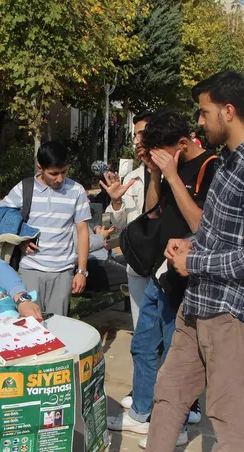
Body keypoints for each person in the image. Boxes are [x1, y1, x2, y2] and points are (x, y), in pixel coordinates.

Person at [104, 70, 244, 452]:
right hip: (199, 303)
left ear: (228, 110)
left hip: (233, 311)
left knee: (225, 406)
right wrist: (192, 245)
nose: (200, 122)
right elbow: (216, 229)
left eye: (205, 112)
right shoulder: (227, 162)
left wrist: (197, 262)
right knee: (169, 390)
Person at [106, 109, 216, 438]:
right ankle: (141, 412)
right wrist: (157, 173)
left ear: (182, 143)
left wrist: (172, 174)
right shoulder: (169, 167)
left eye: (161, 152)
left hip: (187, 279)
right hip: (160, 272)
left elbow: (200, 223)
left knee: (175, 355)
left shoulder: (210, 168)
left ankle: (176, 425)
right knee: (142, 345)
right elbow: (154, 215)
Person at [0, 142, 91, 316]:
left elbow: (82, 232)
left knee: (58, 325)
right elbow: (2, 215)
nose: (60, 179)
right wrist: (20, 240)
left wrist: (81, 271)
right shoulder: (24, 189)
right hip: (30, 269)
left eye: (64, 172)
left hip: (63, 272)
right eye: (53, 174)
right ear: (40, 167)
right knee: (30, 325)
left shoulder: (76, 191)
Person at [100, 111, 153, 327]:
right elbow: (120, 226)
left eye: (143, 134)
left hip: (167, 267)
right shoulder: (131, 179)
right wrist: (116, 203)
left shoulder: (174, 175)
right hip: (138, 265)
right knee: (142, 327)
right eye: (135, 136)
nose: (138, 141)